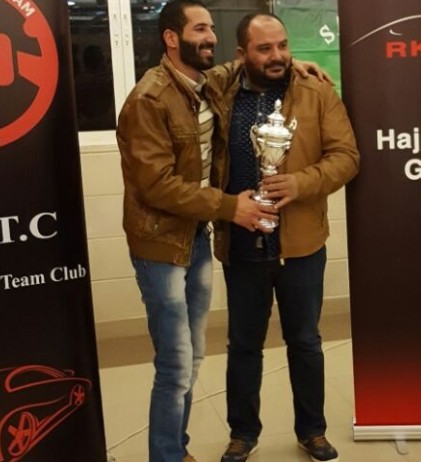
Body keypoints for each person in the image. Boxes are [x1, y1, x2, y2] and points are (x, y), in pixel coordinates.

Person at [116, 2, 278, 461]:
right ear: (172, 38)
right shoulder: (149, 99)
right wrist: (230, 207)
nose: (211, 37)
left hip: (195, 238)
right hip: (160, 245)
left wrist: (298, 63)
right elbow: (156, 184)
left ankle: (177, 448)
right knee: (175, 363)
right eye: (200, 28)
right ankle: (167, 455)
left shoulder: (203, 83)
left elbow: (239, 63)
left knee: (193, 357)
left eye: (211, 28)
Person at [210, 13, 360, 462]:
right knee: (243, 346)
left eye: (282, 46)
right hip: (241, 243)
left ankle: (312, 431)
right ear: (242, 54)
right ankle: (243, 433)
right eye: (264, 49)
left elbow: (347, 156)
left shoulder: (317, 92)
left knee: (306, 342)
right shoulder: (220, 94)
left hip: (302, 246)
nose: (277, 56)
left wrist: (301, 182)